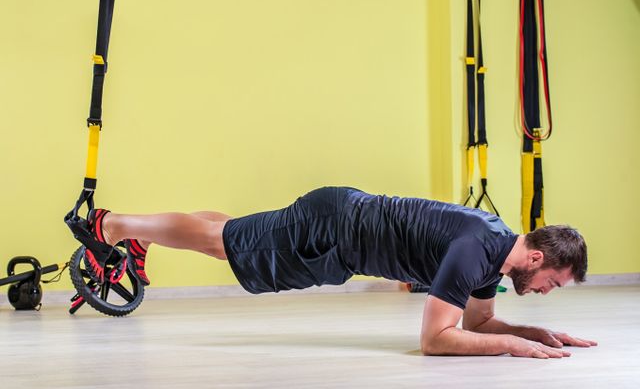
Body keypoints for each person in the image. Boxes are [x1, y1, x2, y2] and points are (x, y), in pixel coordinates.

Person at [71, 186, 597, 358]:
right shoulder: (474, 250)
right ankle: (112, 225)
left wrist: (533, 333)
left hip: (339, 231)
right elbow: (436, 340)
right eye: (552, 283)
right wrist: (513, 347)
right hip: (333, 228)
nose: (546, 292)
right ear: (536, 259)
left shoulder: (495, 252)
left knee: (230, 237)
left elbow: (477, 324)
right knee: (224, 244)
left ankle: (142, 233)